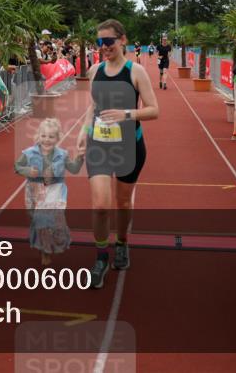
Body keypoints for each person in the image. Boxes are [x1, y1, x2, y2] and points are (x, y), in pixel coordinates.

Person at [76, 19, 159, 289]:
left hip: (129, 147)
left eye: (108, 42)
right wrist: (83, 131)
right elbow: (93, 106)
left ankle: (121, 242)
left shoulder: (135, 72)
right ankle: (101, 257)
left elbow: (153, 109)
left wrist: (126, 114)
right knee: (100, 205)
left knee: (122, 203)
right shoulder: (94, 71)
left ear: (122, 40)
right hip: (99, 145)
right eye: (99, 43)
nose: (103, 47)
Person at [16, 118, 84, 265]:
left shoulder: (63, 155)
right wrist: (27, 170)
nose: (47, 140)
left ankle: (45, 252)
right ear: (38, 136)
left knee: (47, 221)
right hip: (34, 191)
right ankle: (42, 247)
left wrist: (80, 157)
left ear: (58, 138)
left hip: (55, 190)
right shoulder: (29, 153)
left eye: (51, 137)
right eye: (44, 136)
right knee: (37, 221)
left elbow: (74, 169)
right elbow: (17, 166)